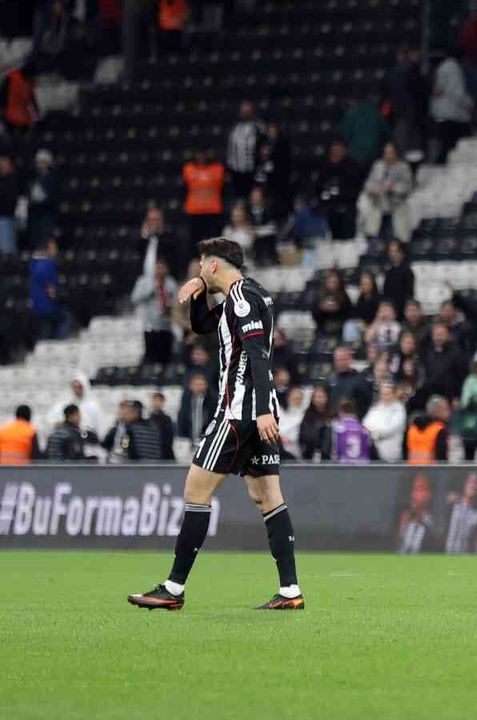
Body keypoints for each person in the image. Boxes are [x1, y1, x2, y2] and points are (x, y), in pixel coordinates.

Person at [127, 238, 301, 610]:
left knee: (196, 491)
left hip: (239, 413)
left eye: (202, 265)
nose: (199, 269)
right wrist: (199, 291)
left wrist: (261, 411)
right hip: (259, 412)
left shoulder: (241, 299)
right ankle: (290, 591)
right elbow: (203, 324)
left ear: (215, 265)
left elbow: (256, 355)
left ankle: (173, 588)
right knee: (268, 496)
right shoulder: (248, 294)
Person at [359, 143, 412, 243]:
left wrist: (393, 187)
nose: (388, 156)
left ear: (395, 154)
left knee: (397, 240)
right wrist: (374, 188)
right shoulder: (377, 166)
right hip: (379, 209)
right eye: (386, 153)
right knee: (375, 240)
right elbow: (367, 184)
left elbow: (407, 187)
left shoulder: (403, 167)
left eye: (390, 153)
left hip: (397, 209)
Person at [430, 47, 473, 163]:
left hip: (441, 113)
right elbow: (458, 93)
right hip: (453, 115)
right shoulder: (454, 69)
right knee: (453, 147)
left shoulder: (441, 68)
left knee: (445, 145)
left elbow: (438, 91)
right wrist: (470, 104)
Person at [314, 141, 362, 239]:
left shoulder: (352, 166)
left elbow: (355, 189)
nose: (336, 153)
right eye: (334, 150)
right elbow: (319, 187)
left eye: (338, 150)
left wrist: (340, 192)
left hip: (348, 203)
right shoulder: (325, 166)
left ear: (344, 151)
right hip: (328, 205)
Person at [182, 149, 225, 246]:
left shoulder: (218, 168)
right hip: (194, 211)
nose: (201, 157)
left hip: (213, 211)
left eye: (203, 154)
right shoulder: (188, 169)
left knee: (214, 242)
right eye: (199, 154)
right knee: (194, 242)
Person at [226, 101, 264, 201]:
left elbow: (263, 146)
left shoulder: (258, 126)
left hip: (252, 170)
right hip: (236, 170)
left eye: (248, 111)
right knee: (239, 197)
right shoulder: (236, 126)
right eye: (244, 110)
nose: (245, 113)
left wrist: (259, 166)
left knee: (253, 196)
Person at [363, 382, 406, 463]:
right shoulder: (376, 407)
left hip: (391, 455)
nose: (385, 397)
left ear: (393, 394)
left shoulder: (399, 410)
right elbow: (366, 423)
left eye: (387, 394)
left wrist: (372, 432)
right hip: (374, 452)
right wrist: (375, 430)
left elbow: (388, 430)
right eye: (383, 394)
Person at [382, 239, 415, 320]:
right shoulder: (388, 272)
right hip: (390, 311)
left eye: (396, 251)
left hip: (402, 312)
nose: (393, 254)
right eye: (391, 251)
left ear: (402, 253)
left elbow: (409, 294)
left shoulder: (408, 272)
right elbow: (386, 293)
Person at [332, 399, 371, 464]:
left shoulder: (339, 428)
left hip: (343, 465)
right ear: (355, 413)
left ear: (341, 413)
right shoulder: (364, 429)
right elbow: (368, 448)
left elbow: (335, 449)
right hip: (362, 466)